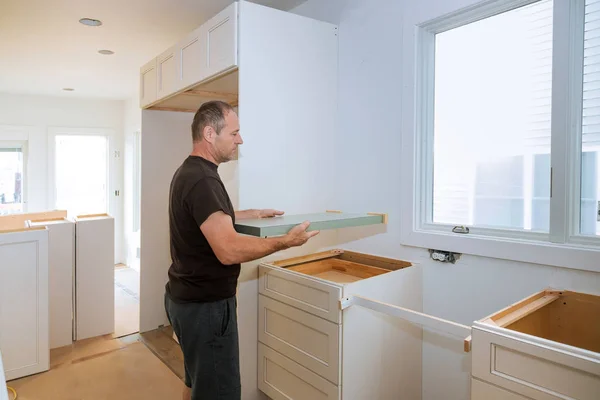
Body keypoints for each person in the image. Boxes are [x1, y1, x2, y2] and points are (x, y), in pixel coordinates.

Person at [164, 100, 319, 400]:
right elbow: (228, 250)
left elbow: (208, 217)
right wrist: (285, 242)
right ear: (210, 134)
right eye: (234, 133)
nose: (240, 139)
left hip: (184, 300)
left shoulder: (191, 172)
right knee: (219, 393)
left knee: (195, 383)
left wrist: (251, 213)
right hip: (206, 309)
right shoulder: (203, 179)